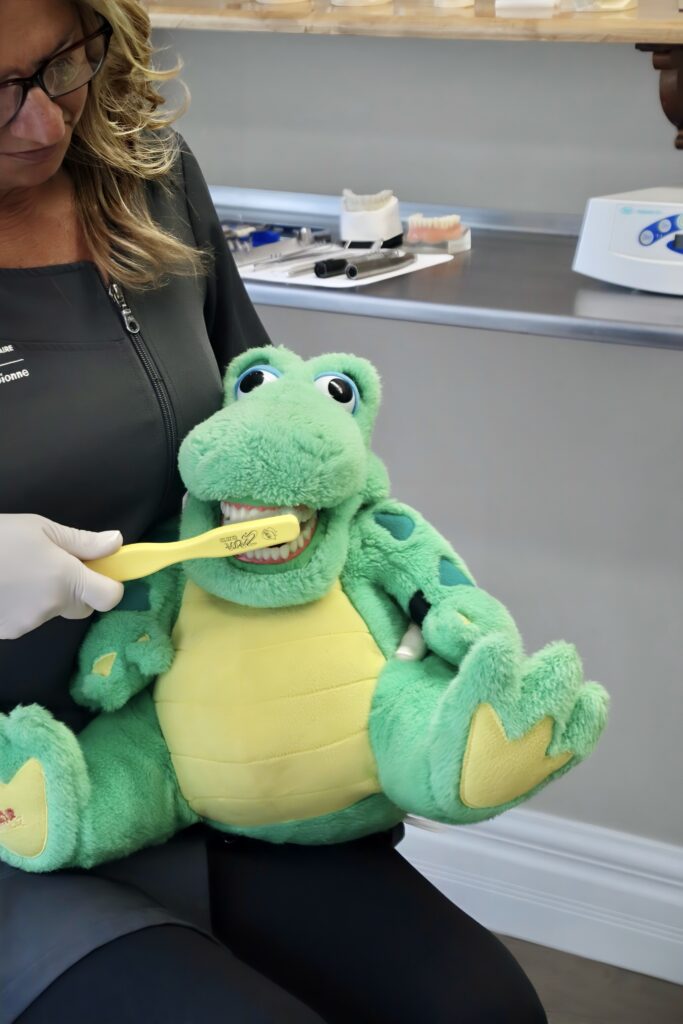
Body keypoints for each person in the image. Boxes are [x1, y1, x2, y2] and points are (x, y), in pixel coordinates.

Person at [0, 2, 549, 1021]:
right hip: (17, 801)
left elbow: (270, 423)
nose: (43, 126)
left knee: (480, 1009)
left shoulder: (145, 173)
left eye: (59, 68)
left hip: (198, 748)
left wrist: (387, 596)